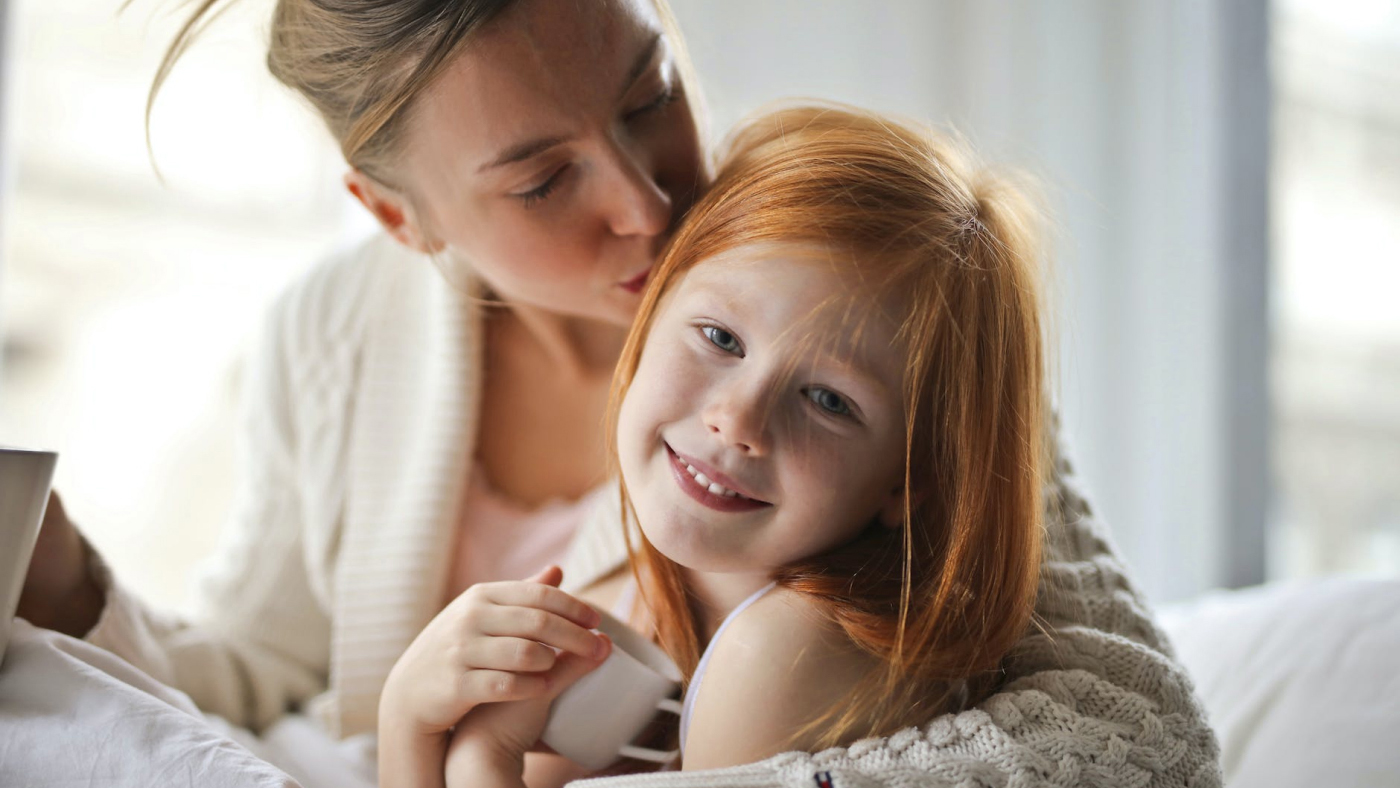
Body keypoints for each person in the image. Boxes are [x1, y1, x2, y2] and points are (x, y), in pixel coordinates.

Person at [16, 1, 1221, 786]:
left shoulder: (852, 277)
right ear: (398, 215)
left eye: (649, 94)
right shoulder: (331, 332)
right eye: (542, 180)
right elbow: (260, 671)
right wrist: (64, 581)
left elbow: (1136, 733)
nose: (650, 202)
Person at [382, 102, 1052, 787]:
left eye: (829, 401)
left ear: (910, 481)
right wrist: (410, 719)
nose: (737, 420)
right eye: (721, 338)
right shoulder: (645, 595)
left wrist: (461, 754)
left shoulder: (786, 656)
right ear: (649, 314)